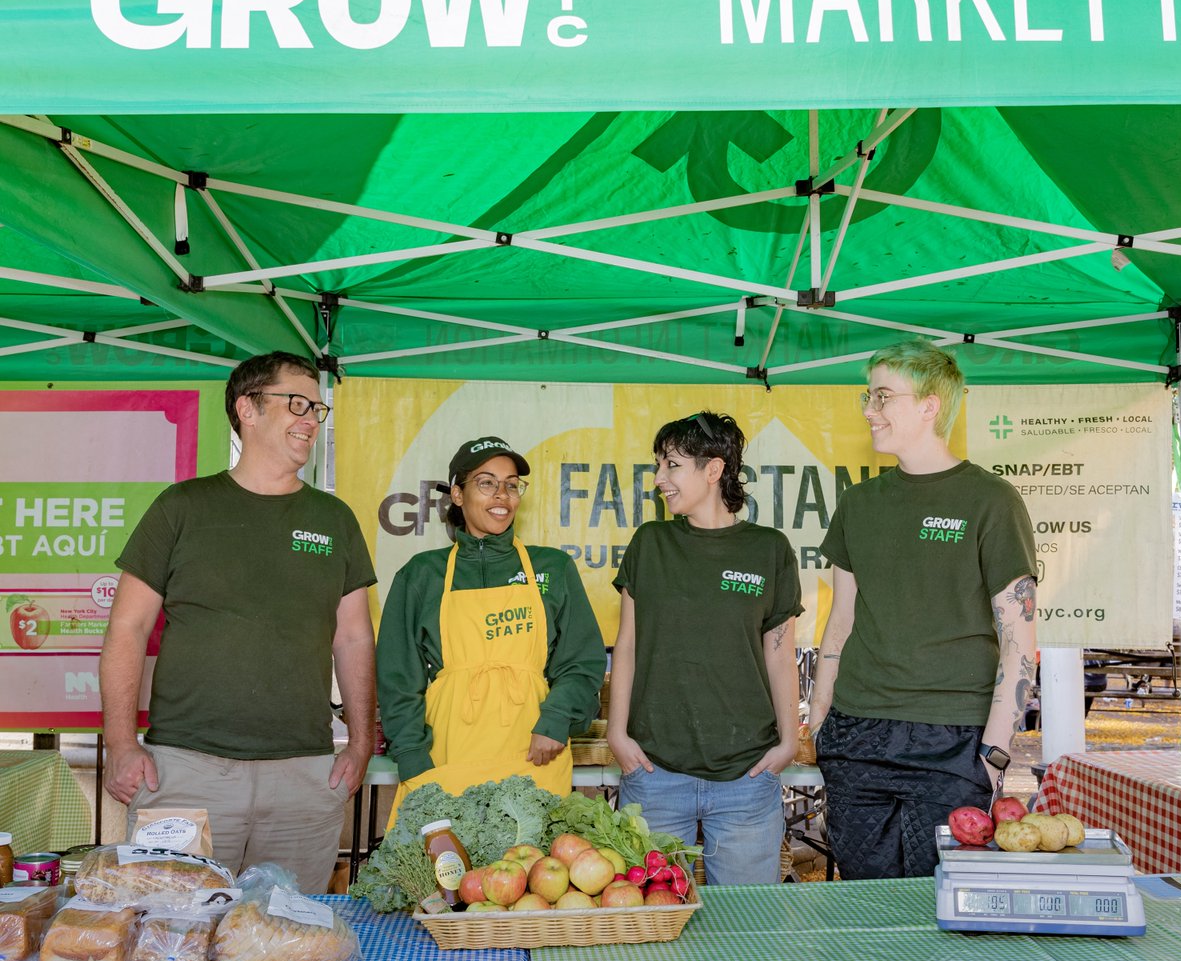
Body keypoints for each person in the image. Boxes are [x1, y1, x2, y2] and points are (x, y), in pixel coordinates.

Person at [99, 351, 376, 893]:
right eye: (296, 403)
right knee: (170, 942)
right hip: (185, 769)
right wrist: (121, 742)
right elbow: (126, 630)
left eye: (317, 408)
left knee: (288, 946)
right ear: (247, 409)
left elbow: (355, 636)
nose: (311, 419)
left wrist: (361, 742)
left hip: (303, 773)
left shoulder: (334, 518)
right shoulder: (181, 506)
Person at [810, 339, 1037, 880]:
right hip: (856, 733)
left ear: (931, 405)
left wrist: (997, 751)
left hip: (952, 737)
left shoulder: (991, 500)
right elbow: (840, 621)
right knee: (867, 914)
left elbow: (1019, 639)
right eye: (868, 396)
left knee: (944, 905)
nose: (869, 409)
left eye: (883, 396)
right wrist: (820, 720)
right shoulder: (858, 503)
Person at [607, 412, 802, 885]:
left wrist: (789, 740)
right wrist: (617, 733)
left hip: (746, 779)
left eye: (671, 465)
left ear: (713, 470)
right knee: (649, 932)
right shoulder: (650, 543)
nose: (658, 480)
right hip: (654, 772)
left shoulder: (769, 549)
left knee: (747, 930)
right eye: (658, 466)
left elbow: (779, 654)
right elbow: (627, 646)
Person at [377, 436, 605, 820]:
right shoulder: (422, 575)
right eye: (486, 483)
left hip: (534, 752)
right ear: (458, 494)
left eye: (511, 484)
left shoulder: (552, 568)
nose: (502, 495)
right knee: (448, 877)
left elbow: (581, 661)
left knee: (531, 874)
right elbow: (398, 678)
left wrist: (557, 720)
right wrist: (413, 756)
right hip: (447, 755)